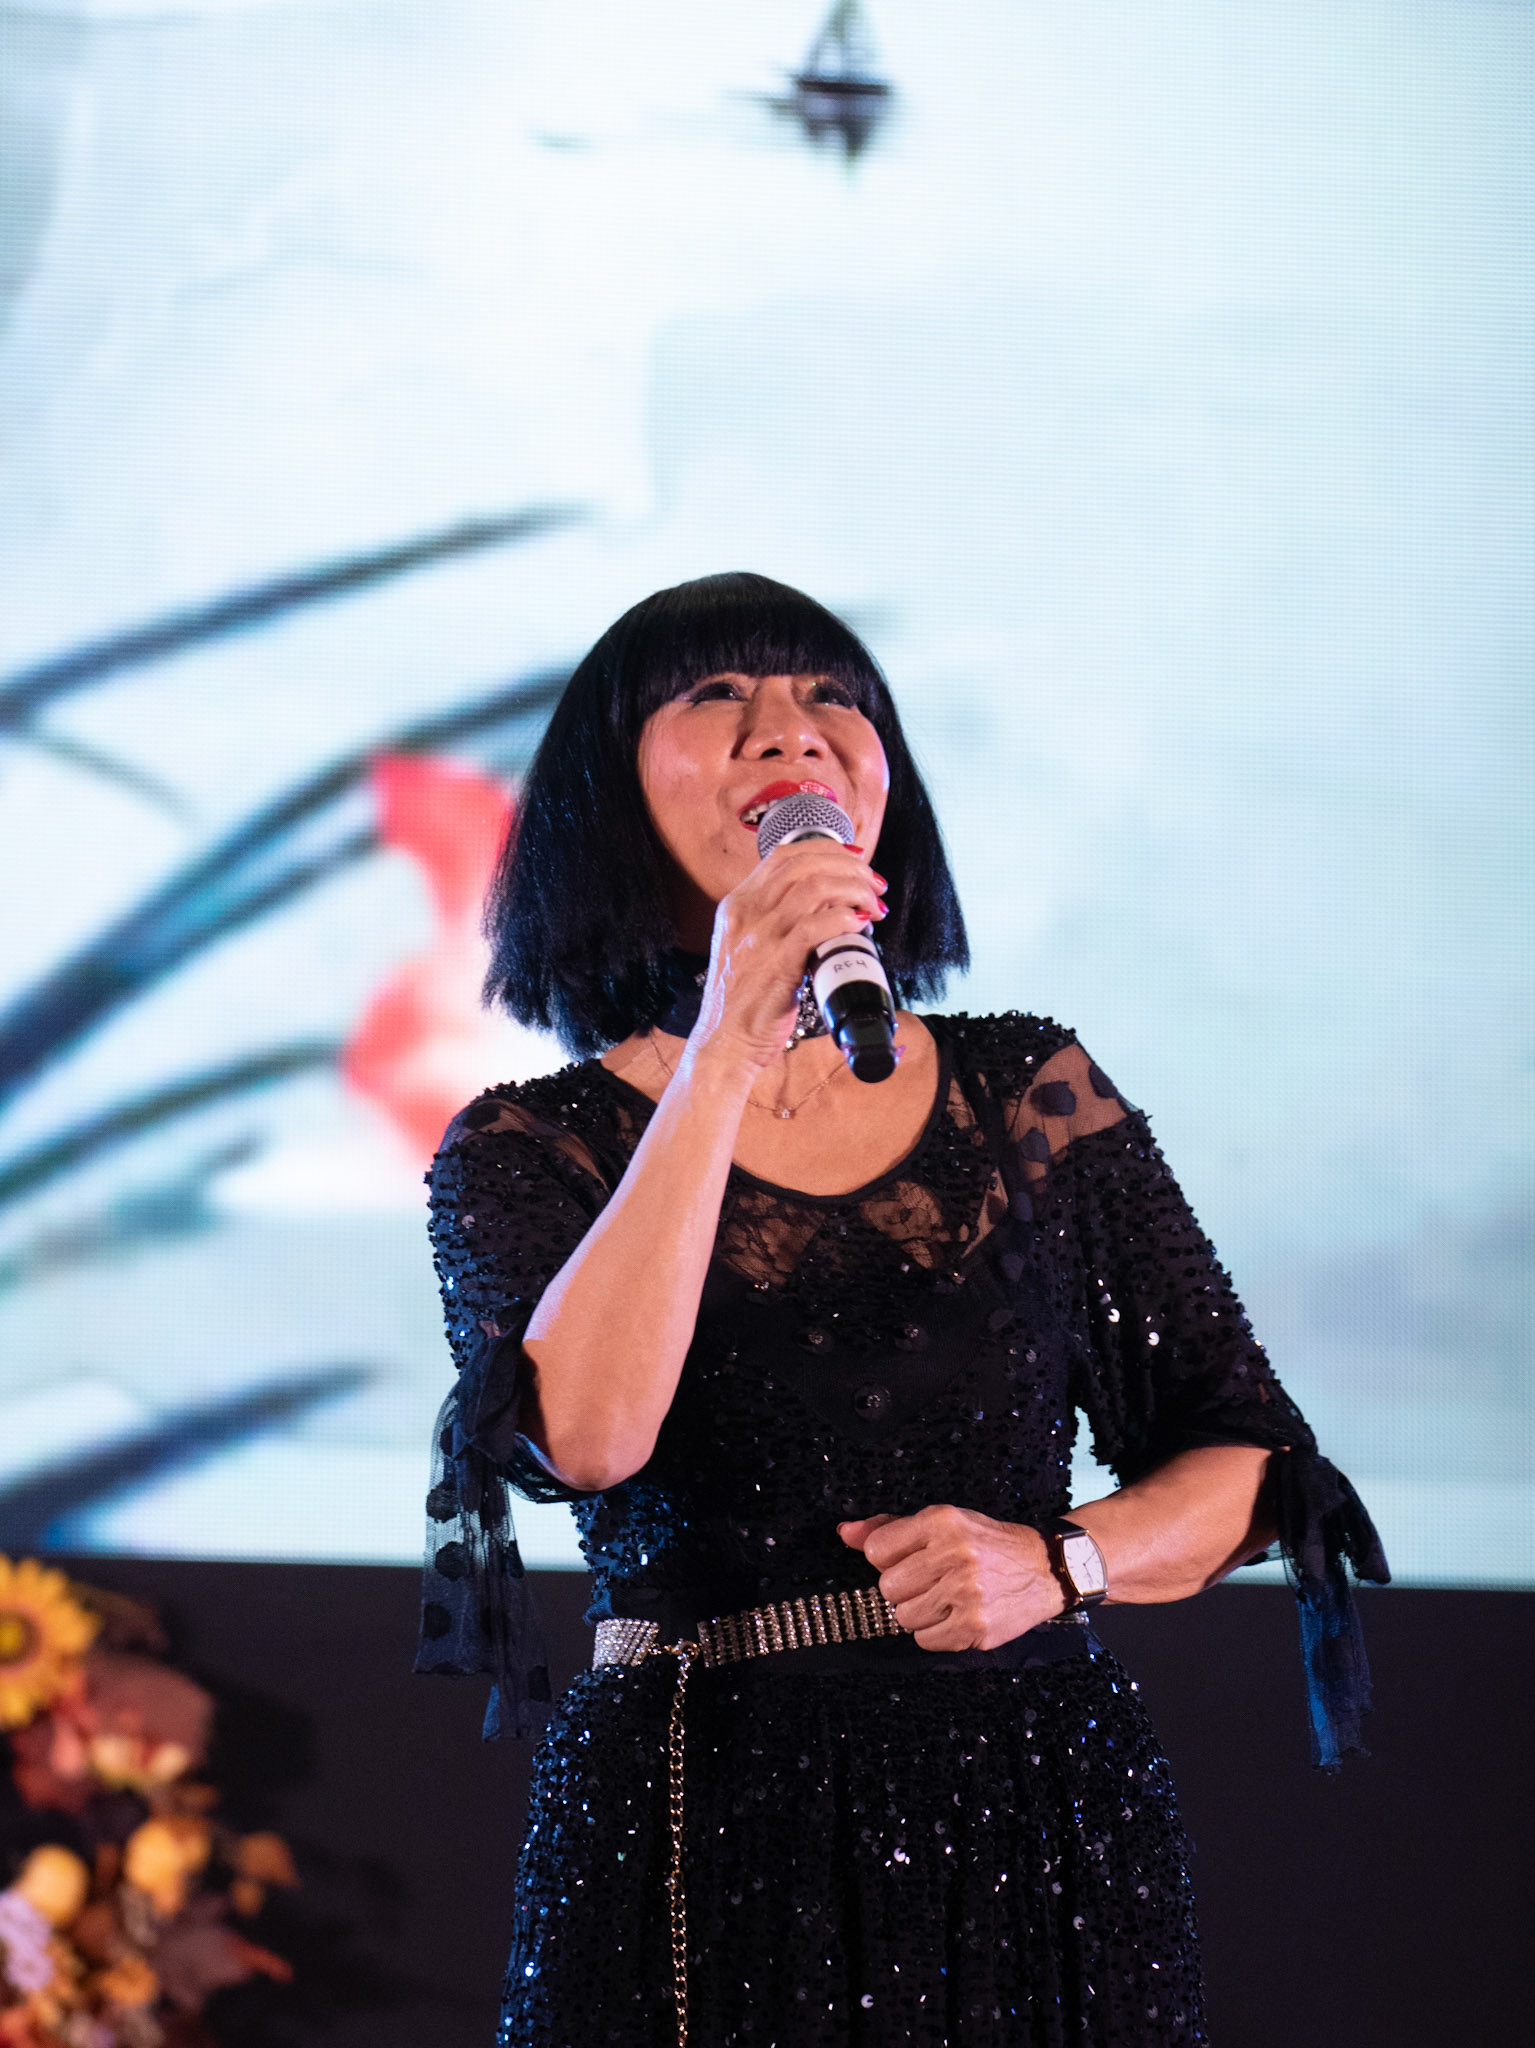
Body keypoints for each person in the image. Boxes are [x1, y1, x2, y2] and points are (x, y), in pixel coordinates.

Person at [415, 572, 1387, 2047]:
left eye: (832, 698)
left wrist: (1062, 1559)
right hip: (696, 1823)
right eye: (717, 697)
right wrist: (727, 1045)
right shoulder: (522, 1146)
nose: (788, 733)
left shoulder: (1029, 1088)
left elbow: (1251, 1463)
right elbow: (590, 1438)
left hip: (1033, 1815)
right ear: (606, 792)